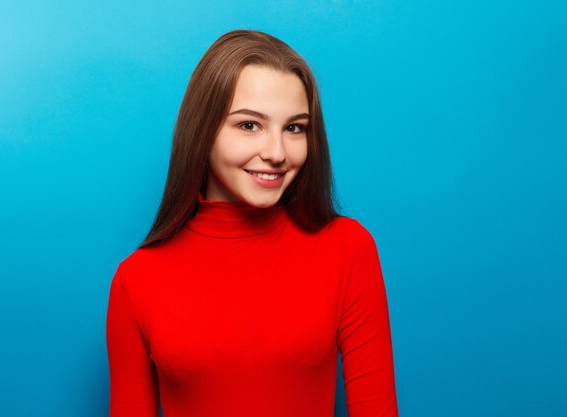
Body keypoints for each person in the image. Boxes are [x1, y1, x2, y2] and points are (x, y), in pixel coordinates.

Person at [106, 29, 398, 417]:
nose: (276, 153)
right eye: (249, 125)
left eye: (294, 128)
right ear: (202, 130)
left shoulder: (347, 249)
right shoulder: (136, 279)